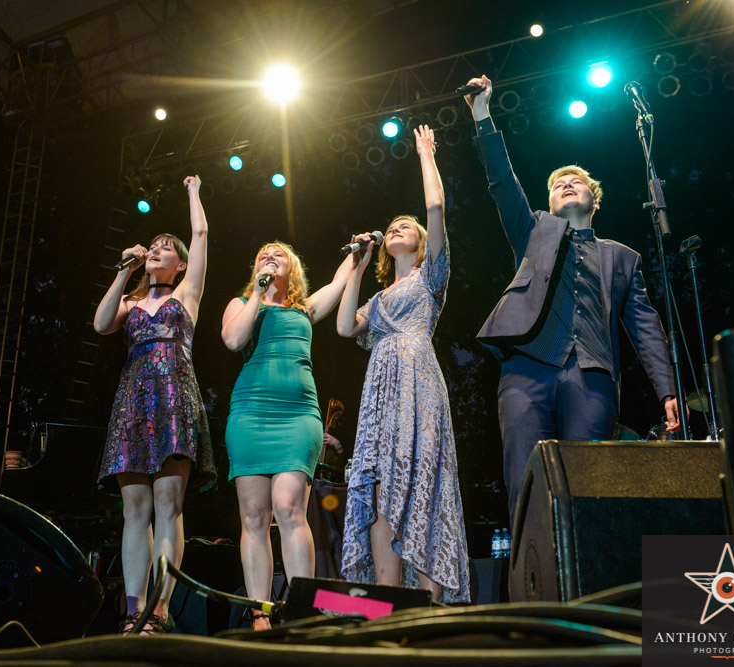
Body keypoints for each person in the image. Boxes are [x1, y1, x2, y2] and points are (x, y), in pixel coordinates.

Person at [463, 75, 682, 526]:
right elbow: (503, 183)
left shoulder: (622, 258)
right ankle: (530, 586)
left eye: (576, 181)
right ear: (547, 202)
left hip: (592, 377)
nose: (566, 183)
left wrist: (667, 389)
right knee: (526, 484)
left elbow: (646, 328)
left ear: (593, 200)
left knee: (588, 487)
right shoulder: (533, 233)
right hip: (526, 370)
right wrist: (482, 115)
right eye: (558, 182)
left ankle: (585, 591)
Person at [336, 125, 470, 604]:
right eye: (391, 227)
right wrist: (358, 259)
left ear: (420, 242)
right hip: (380, 390)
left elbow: (435, 208)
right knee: (377, 490)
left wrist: (426, 154)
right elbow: (345, 327)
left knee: (420, 481)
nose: (396, 229)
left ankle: (431, 607)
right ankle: (386, 605)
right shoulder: (380, 297)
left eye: (404, 227)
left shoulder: (431, 276)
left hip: (417, 379)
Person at [94, 175, 216, 636]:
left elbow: (201, 235)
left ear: (181, 266)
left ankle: (160, 611)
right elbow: (102, 323)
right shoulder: (130, 301)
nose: (157, 250)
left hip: (172, 397)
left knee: (167, 502)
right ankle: (133, 608)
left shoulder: (187, 296)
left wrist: (192, 191)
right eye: (154, 246)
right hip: (133, 400)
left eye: (167, 248)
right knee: (134, 509)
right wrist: (125, 269)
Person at [221, 241, 357, 630]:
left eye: (279, 253)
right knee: (253, 516)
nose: (270, 255)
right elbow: (233, 340)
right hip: (250, 415)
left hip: (298, 418)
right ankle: (260, 615)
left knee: (290, 506)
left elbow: (339, 281)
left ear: (293, 268)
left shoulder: (304, 309)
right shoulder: (242, 303)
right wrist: (257, 293)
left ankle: (302, 613)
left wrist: (355, 254)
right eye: (264, 253)